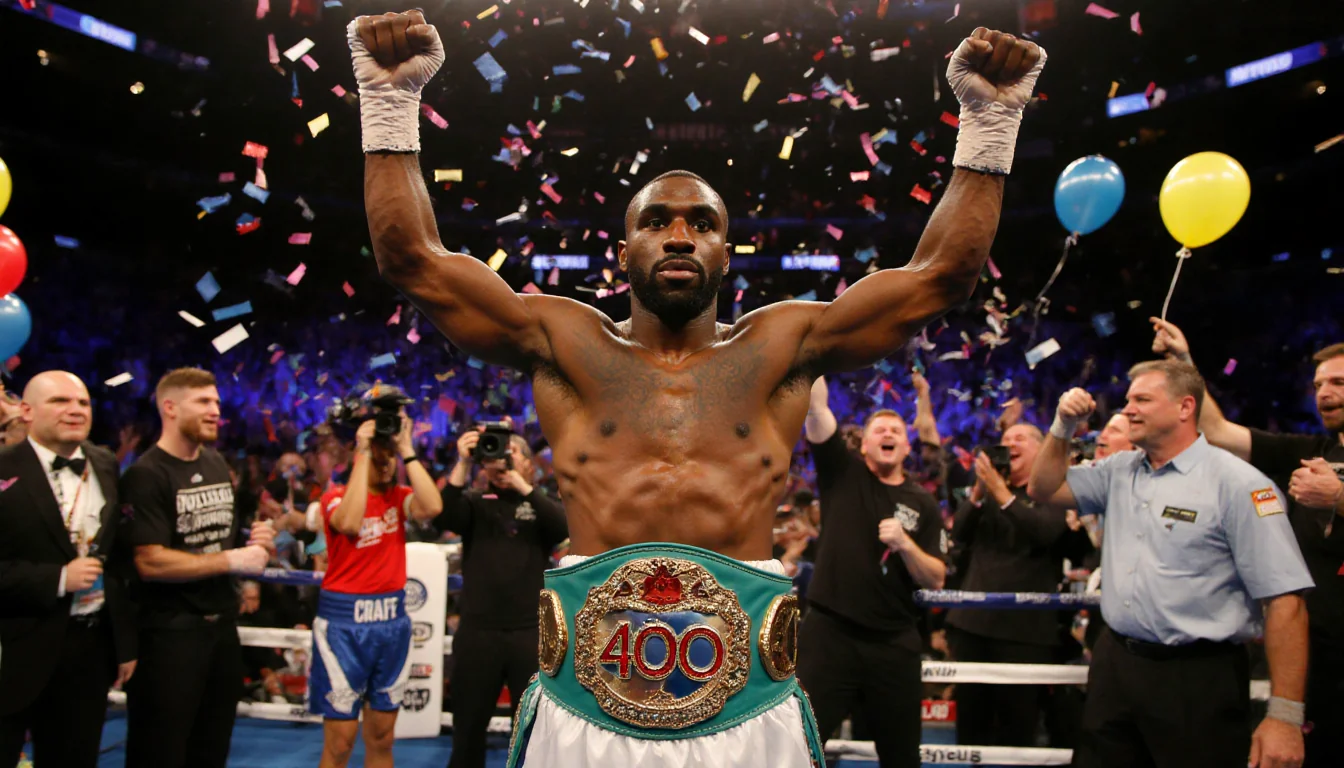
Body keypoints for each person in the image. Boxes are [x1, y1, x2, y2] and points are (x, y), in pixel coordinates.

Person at [348, 11, 1044, 766]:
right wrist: (390, 103)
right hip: (585, 710)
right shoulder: (562, 342)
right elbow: (412, 260)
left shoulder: (784, 345)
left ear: (727, 248)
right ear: (625, 249)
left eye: (701, 223)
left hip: (747, 713)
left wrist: (989, 120)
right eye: (658, 221)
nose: (679, 235)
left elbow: (942, 277)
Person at [1028, 360, 1314, 768]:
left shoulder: (1241, 485)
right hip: (1116, 665)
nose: (1128, 409)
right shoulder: (1119, 470)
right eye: (1128, 400)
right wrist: (1062, 427)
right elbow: (1043, 488)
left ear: (1184, 408)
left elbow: (1286, 600)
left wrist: (1285, 716)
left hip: (1197, 678)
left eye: (1142, 399)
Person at [1153, 319, 1344, 766]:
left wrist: (1339, 496)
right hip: (1320, 660)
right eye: (1318, 383)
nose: (1324, 392)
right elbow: (1218, 431)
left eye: (1338, 381)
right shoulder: (1314, 449)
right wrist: (1184, 362)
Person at [121, 368, 276, 768]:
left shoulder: (215, 462)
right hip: (169, 634)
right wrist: (232, 559)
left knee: (212, 747)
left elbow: (215, 539)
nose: (215, 411)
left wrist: (254, 543)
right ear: (170, 408)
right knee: (160, 751)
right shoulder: (146, 474)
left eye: (217, 403)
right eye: (204, 402)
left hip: (221, 629)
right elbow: (149, 560)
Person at [798, 376, 946, 767]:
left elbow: (936, 577)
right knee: (801, 746)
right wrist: (818, 357)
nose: (888, 433)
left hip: (893, 643)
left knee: (901, 756)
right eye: (879, 428)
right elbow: (817, 411)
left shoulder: (923, 502)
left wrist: (906, 545)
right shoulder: (841, 472)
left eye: (896, 429)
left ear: (906, 445)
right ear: (863, 443)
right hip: (831, 634)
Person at [0, 371, 137, 767]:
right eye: (60, 401)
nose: (75, 410)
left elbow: (116, 559)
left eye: (83, 403)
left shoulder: (105, 463)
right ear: (26, 411)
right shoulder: (3, 467)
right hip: (14, 644)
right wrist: (58, 579)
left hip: (89, 648)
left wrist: (123, 643)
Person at [310, 400, 444, 768]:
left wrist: (407, 450)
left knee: (383, 738)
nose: (387, 463)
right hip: (343, 627)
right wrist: (364, 450)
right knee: (340, 745)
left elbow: (432, 508)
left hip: (391, 624)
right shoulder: (334, 497)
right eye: (379, 455)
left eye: (390, 457)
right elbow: (351, 523)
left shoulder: (398, 497)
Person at [943, 423, 1081, 749]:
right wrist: (979, 491)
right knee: (971, 728)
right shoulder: (987, 493)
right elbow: (958, 534)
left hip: (1025, 632)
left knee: (1017, 730)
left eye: (1019, 439)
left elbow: (1043, 532)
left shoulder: (1055, 492)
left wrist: (1001, 493)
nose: (1008, 445)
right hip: (973, 625)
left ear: (1041, 450)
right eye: (1004, 440)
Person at [436, 426, 567, 768]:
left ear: (527, 463)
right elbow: (444, 514)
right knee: (467, 729)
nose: (502, 461)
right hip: (478, 634)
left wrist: (524, 488)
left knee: (530, 730)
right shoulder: (475, 503)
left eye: (513, 453)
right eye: (495, 454)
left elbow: (562, 528)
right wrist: (463, 463)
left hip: (527, 633)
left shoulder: (539, 504)